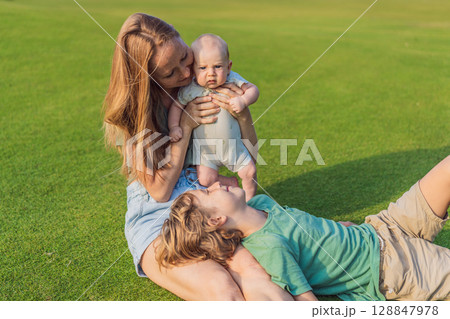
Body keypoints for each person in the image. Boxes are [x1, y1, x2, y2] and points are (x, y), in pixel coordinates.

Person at [103, 13, 292, 300]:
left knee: (256, 269)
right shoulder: (130, 116)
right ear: (148, 77)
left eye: (184, 58)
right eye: (170, 72)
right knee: (221, 287)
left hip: (205, 196)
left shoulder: (203, 82)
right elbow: (160, 191)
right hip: (157, 218)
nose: (186, 73)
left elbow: (250, 150)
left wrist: (242, 114)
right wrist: (187, 124)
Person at [157, 156, 450, 301]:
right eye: (208, 194)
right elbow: (306, 300)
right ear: (215, 220)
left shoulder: (261, 202)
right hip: (393, 270)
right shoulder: (270, 248)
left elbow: (306, 230)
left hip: (384, 226)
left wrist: (338, 227)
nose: (215, 184)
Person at [168, 34, 258, 201]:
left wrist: (243, 100)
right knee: (205, 179)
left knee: (249, 172)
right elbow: (176, 106)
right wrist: (174, 127)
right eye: (203, 68)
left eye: (217, 66)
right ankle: (227, 182)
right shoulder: (191, 88)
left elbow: (253, 89)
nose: (211, 73)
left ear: (228, 66)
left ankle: (250, 203)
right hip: (206, 151)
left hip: (232, 146)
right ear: (193, 70)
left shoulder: (232, 79)